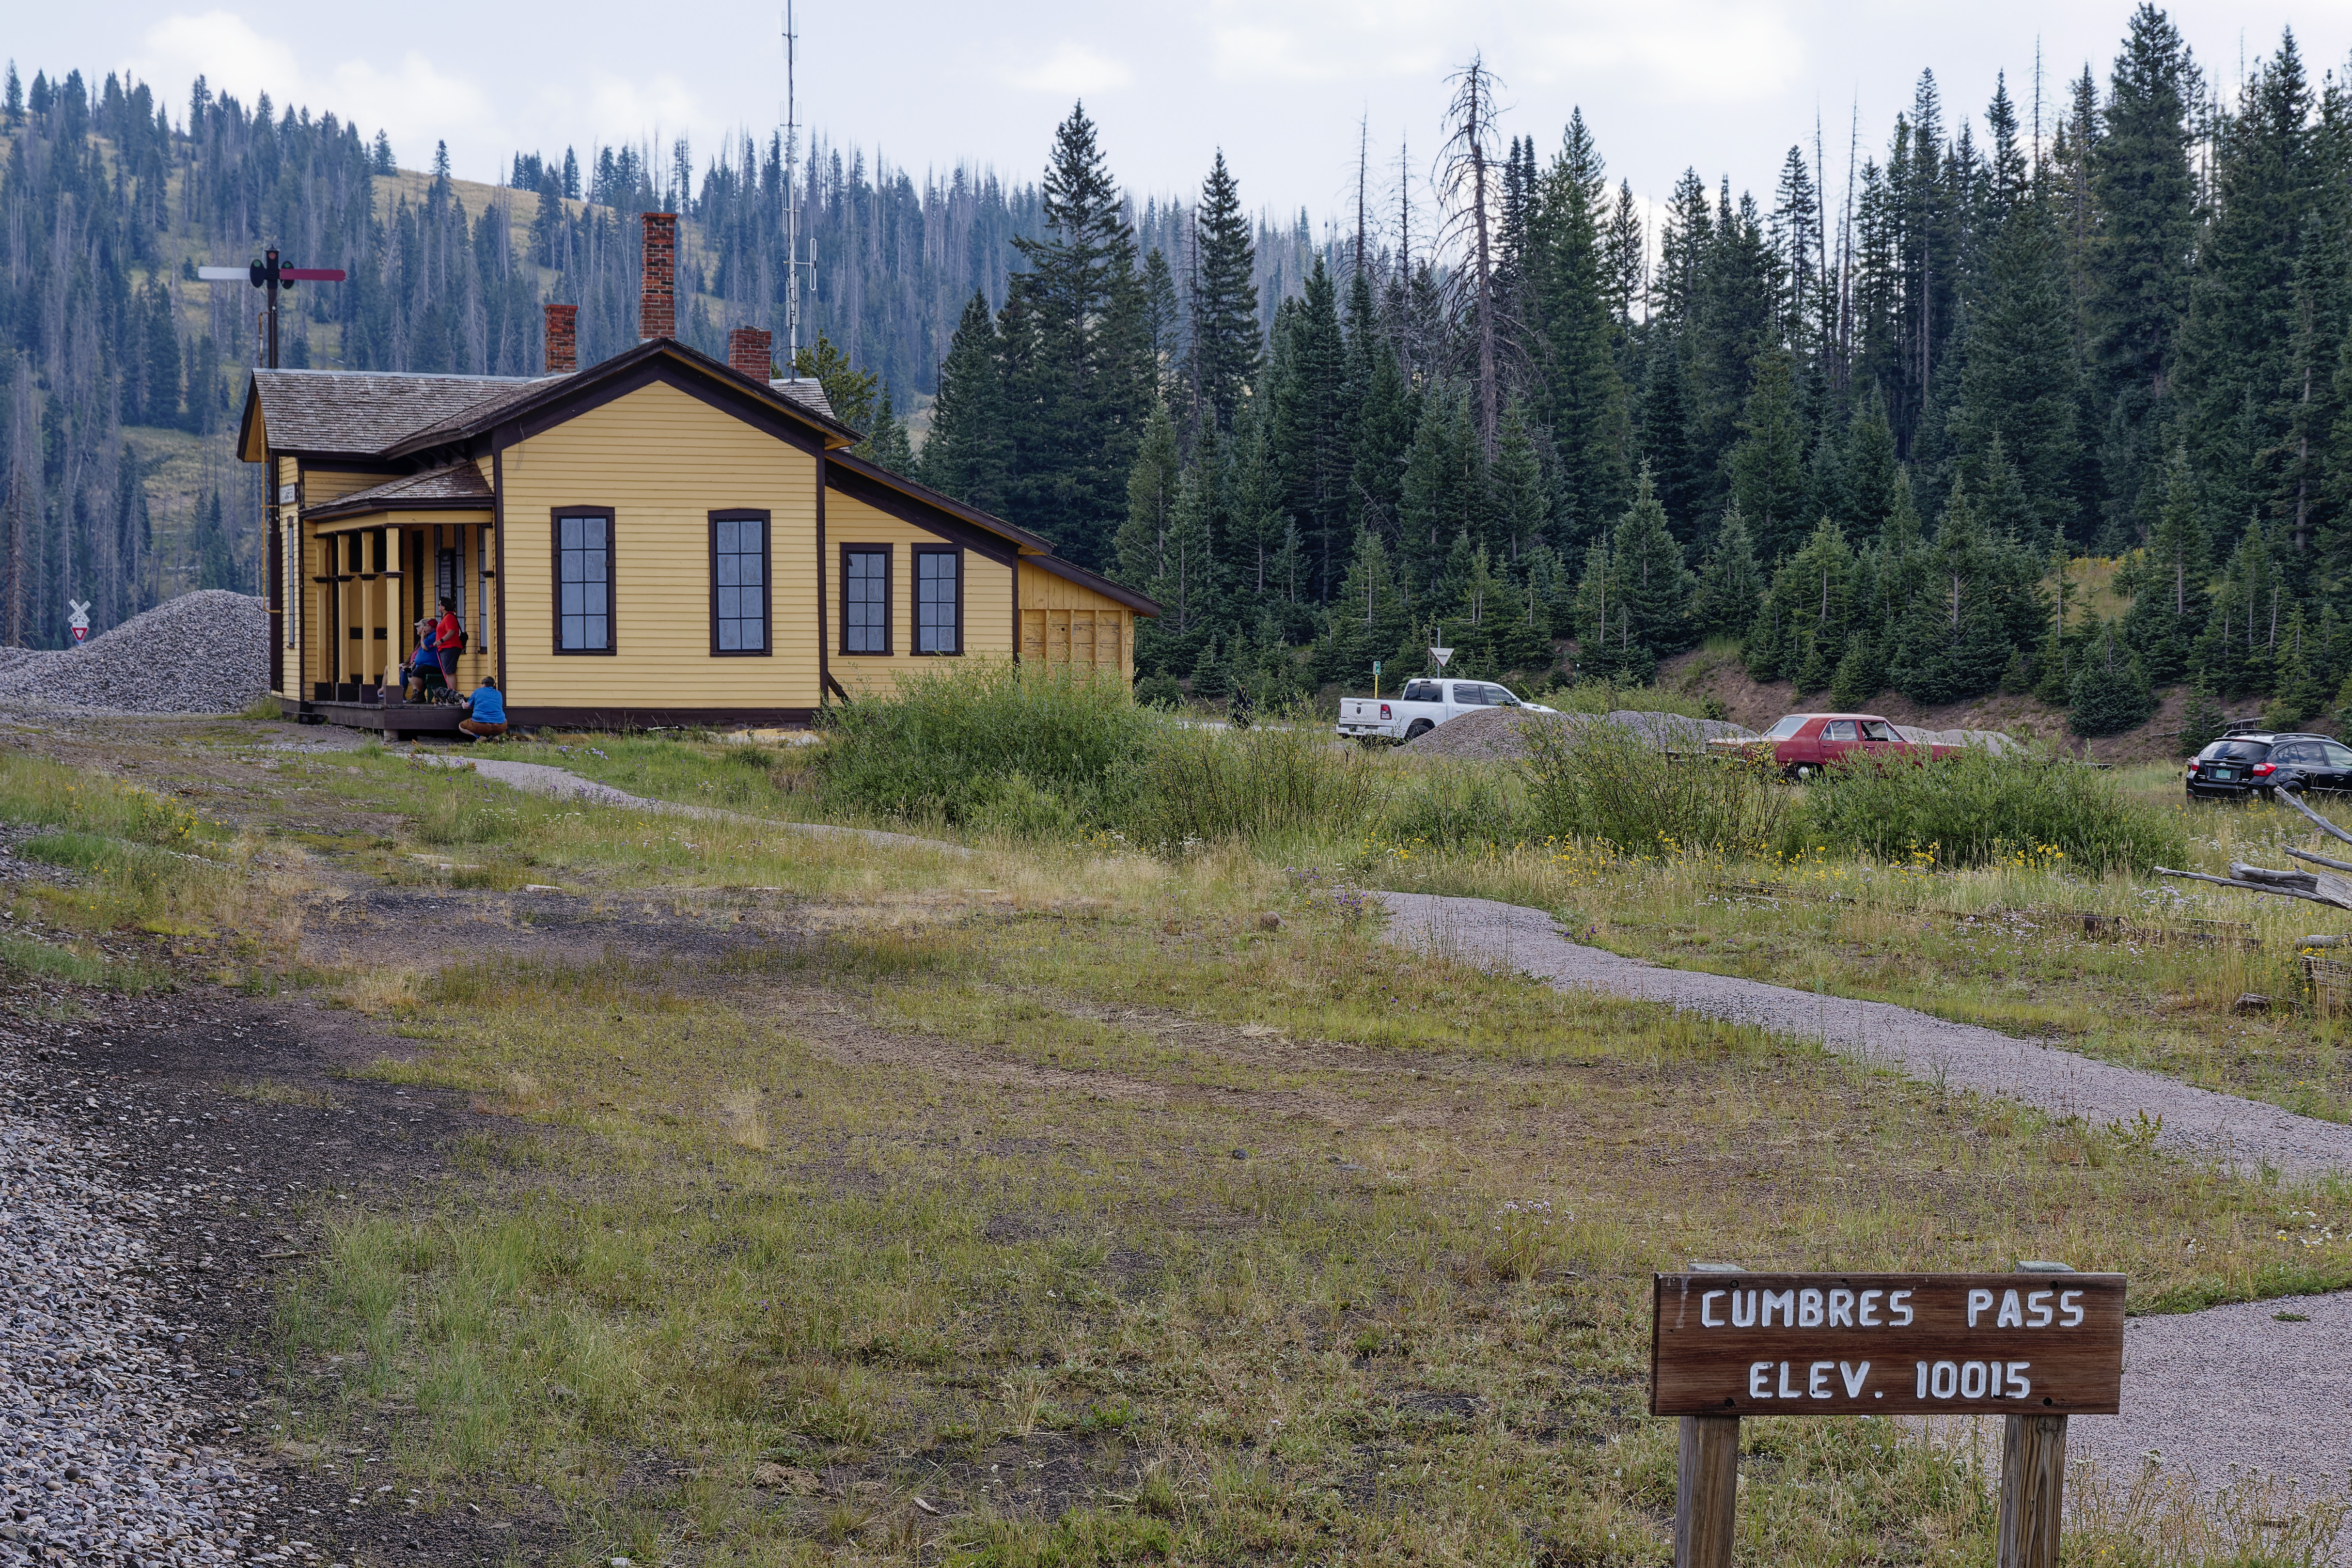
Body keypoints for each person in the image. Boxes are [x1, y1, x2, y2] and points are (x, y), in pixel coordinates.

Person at [457, 675, 507, 741]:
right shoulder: (499, 693)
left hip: (481, 726)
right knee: (502, 721)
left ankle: (479, 737)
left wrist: (463, 703)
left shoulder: (478, 691)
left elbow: (467, 706)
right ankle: (496, 737)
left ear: (484, 685)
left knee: (461, 726)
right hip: (500, 726)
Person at [434, 597, 463, 691]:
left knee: (450, 672)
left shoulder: (449, 617)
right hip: (444, 648)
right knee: (447, 672)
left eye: (439, 605)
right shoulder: (445, 618)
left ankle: (453, 693)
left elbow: (451, 631)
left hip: (450, 647)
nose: (438, 607)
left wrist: (441, 641)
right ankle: (450, 691)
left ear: (444, 606)